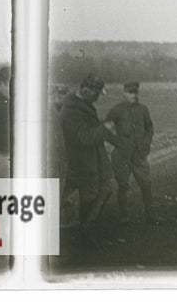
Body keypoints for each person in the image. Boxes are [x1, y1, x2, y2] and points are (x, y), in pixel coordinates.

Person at [59, 74, 118, 241]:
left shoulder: (82, 105)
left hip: (91, 159)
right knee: (90, 195)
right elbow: (82, 137)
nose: (98, 97)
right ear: (86, 90)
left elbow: (89, 129)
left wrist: (107, 130)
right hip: (81, 161)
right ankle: (86, 234)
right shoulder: (72, 110)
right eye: (96, 93)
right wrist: (104, 129)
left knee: (106, 186)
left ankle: (86, 228)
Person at [105, 81, 156, 224]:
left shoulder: (143, 109)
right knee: (123, 185)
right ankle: (124, 216)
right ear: (124, 93)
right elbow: (105, 129)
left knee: (146, 183)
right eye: (130, 92)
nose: (134, 95)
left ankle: (150, 215)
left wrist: (146, 142)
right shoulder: (116, 110)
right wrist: (117, 143)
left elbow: (149, 127)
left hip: (139, 154)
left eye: (136, 92)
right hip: (122, 154)